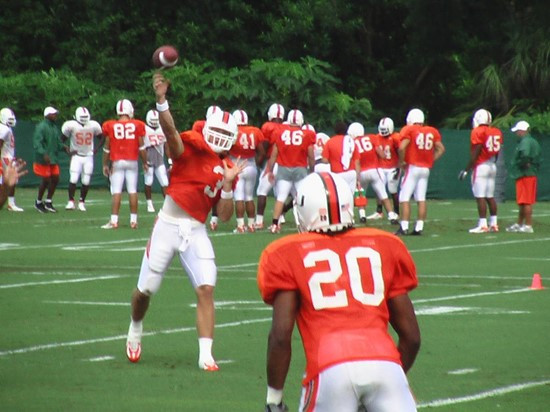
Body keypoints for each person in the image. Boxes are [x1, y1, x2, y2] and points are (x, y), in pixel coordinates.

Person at [258, 172, 420, 412]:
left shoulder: (288, 253)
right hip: (386, 363)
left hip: (329, 368)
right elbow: (412, 337)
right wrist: (390, 376)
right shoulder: (384, 245)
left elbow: (281, 335)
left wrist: (274, 399)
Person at [126, 72, 245, 370]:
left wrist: (229, 185)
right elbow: (171, 134)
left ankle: (206, 354)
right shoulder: (191, 145)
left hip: (196, 229)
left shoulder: (228, 167)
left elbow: (225, 216)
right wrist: (162, 101)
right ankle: (135, 327)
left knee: (206, 287)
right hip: (167, 224)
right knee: (145, 291)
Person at [265, 109, 315, 234]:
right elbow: (311, 155)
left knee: (281, 197)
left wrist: (270, 170)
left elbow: (274, 155)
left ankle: (275, 225)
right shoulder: (307, 134)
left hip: (283, 168)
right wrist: (312, 170)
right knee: (303, 197)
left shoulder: (279, 132)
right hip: (300, 169)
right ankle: (308, 223)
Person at [396, 108, 445, 235]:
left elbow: (401, 148)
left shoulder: (409, 129)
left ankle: (404, 227)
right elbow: (441, 149)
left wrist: (401, 162)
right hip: (425, 169)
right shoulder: (431, 131)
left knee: (404, 198)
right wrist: (430, 160)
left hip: (413, 167)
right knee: (421, 198)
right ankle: (419, 227)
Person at [101, 99, 148, 229]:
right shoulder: (137, 125)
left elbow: (106, 147)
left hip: (117, 162)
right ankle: (133, 221)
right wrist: (145, 162)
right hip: (132, 161)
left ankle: (114, 220)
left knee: (116, 191)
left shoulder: (110, 125)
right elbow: (141, 147)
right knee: (132, 190)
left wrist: (105, 164)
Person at [458, 109, 502, 233]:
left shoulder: (477, 131)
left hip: (481, 166)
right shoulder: (496, 132)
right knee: (490, 196)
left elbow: (477, 150)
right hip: (492, 165)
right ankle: (494, 223)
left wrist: (466, 170)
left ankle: (483, 224)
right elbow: (497, 152)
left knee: (480, 196)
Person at [351, 121, 399, 224]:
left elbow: (355, 161)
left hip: (362, 171)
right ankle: (391, 216)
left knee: (361, 194)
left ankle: (362, 215)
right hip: (374, 170)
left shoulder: (352, 143)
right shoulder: (372, 137)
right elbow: (381, 154)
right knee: (383, 194)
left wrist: (357, 176)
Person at [61, 107, 104, 211]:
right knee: (74, 178)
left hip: (88, 156)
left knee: (86, 180)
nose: (84, 119)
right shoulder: (71, 125)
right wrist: (67, 150)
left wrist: (97, 149)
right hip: (76, 156)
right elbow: (61, 140)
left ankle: (82, 202)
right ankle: (71, 201)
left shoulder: (93, 125)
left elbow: (102, 137)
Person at [230, 109, 264, 233]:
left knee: (238, 197)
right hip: (251, 165)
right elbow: (261, 151)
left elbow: (227, 149)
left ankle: (240, 225)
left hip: (237, 164)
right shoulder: (255, 131)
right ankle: (251, 224)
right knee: (249, 196)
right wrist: (256, 164)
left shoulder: (233, 131)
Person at [506, 121, 542, 233]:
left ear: (522, 131)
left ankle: (528, 225)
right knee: (522, 201)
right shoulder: (532, 141)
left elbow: (525, 155)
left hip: (525, 174)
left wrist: (524, 163)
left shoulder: (525, 141)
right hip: (528, 174)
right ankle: (520, 223)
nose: (517, 133)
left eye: (518, 131)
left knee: (526, 201)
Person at [254, 103, 285, 230]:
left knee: (262, 191)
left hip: (271, 163)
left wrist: (260, 160)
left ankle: (259, 221)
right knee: (280, 192)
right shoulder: (286, 128)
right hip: (283, 163)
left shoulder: (267, 126)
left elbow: (265, 145)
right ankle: (281, 217)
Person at [33, 106, 66, 213]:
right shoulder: (41, 127)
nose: (55, 115)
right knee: (46, 180)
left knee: (55, 178)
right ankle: (38, 202)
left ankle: (48, 201)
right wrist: (43, 154)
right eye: (53, 114)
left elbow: (57, 142)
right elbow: (37, 143)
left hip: (53, 158)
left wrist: (65, 148)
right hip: (44, 159)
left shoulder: (54, 127)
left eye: (55, 113)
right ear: (47, 115)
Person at [371, 117, 401, 220]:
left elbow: (400, 151)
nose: (383, 132)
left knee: (392, 189)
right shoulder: (376, 137)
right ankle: (379, 211)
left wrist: (399, 166)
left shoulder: (396, 137)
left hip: (393, 167)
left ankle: (397, 211)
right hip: (381, 167)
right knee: (379, 188)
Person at [143, 109, 171, 213]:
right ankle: (149, 203)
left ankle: (167, 205)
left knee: (164, 182)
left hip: (159, 159)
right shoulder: (144, 129)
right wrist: (144, 161)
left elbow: (166, 146)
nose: (154, 124)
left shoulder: (162, 129)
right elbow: (141, 146)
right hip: (149, 158)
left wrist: (169, 160)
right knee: (148, 181)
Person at [321, 121, 360, 194]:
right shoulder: (351, 141)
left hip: (337, 174)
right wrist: (358, 179)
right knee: (350, 197)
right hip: (351, 173)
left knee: (340, 197)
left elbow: (324, 160)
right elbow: (357, 162)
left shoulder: (330, 142)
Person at [0, 108, 24, 211]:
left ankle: (10, 202)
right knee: (11, 180)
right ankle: (11, 203)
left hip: (7, 156)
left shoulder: (7, 128)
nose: (12, 121)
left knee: (9, 180)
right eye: (9, 119)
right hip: (5, 157)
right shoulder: (4, 128)